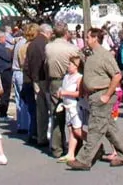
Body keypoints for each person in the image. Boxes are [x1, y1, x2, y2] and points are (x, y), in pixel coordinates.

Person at [66, 28, 123, 170]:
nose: (86, 39)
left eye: (88, 37)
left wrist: (107, 95)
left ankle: (84, 160)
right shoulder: (91, 54)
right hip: (93, 95)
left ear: (95, 38)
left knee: (95, 128)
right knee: (109, 128)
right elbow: (83, 66)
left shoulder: (104, 55)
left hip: (102, 94)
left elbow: (117, 75)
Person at [45, 22, 78, 157]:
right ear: (66, 33)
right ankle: (76, 145)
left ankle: (57, 147)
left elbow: (46, 64)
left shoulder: (48, 47)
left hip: (54, 80)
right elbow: (79, 62)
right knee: (74, 113)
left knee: (57, 114)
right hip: (69, 79)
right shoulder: (72, 48)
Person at [23, 24, 51, 146]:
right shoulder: (45, 44)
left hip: (35, 79)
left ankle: (40, 136)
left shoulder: (31, 44)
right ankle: (49, 138)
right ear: (48, 33)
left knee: (40, 110)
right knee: (49, 109)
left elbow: (27, 64)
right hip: (44, 78)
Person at [55, 54, 85, 163]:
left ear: (76, 66)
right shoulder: (66, 76)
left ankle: (94, 143)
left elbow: (80, 93)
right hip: (66, 105)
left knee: (77, 130)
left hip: (75, 106)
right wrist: (60, 92)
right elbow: (63, 88)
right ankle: (70, 153)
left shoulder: (79, 77)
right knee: (71, 130)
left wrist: (66, 92)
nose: (68, 66)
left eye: (71, 64)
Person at [0, 24, 15, 121]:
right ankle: (2, 114)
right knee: (5, 93)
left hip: (4, 71)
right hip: (4, 71)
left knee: (4, 93)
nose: (5, 39)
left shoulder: (0, 47)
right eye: (4, 38)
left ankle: (2, 112)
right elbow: (8, 57)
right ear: (0, 38)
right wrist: (11, 51)